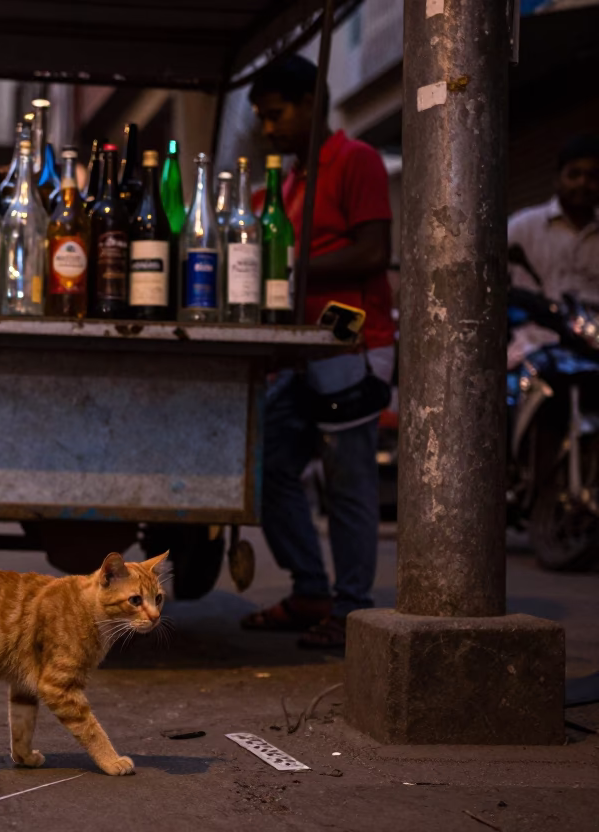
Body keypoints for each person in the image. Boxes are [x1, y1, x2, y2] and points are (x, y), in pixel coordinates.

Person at [239, 55, 396, 649]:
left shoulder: (356, 159)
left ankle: (352, 607)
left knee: (347, 481)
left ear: (311, 102)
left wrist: (288, 270)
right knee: (267, 466)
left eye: (275, 113)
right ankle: (311, 590)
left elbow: (373, 252)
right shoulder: (286, 184)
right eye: (261, 117)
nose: (268, 127)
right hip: (302, 356)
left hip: (352, 346)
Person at [507, 135, 599, 368]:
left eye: (592, 176)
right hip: (530, 353)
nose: (583, 183)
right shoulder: (522, 227)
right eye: (574, 174)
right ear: (558, 178)